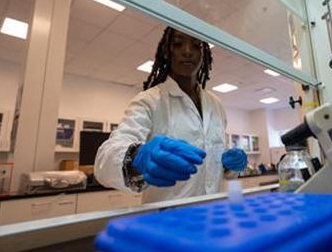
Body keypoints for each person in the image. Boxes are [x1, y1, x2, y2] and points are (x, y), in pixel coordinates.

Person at [94, 26, 247, 203]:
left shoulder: (216, 105)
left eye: (196, 45)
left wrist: (230, 166)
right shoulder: (149, 101)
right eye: (178, 44)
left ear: (203, 54)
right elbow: (104, 160)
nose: (187, 51)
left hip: (214, 215)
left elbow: (217, 166)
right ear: (167, 52)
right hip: (168, 221)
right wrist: (136, 157)